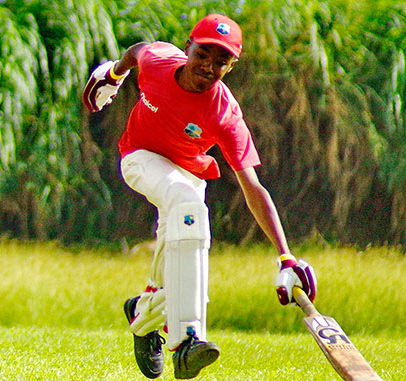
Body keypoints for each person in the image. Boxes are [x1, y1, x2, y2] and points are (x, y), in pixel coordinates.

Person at [82, 14, 316, 379]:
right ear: (188, 47)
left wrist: (286, 257)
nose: (208, 67)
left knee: (188, 235)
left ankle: (143, 313)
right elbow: (135, 52)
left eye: (221, 61)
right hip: (139, 157)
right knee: (189, 206)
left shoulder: (225, 113)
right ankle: (187, 340)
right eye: (203, 54)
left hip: (187, 175)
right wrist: (113, 75)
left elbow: (253, 187)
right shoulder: (159, 61)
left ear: (232, 65)